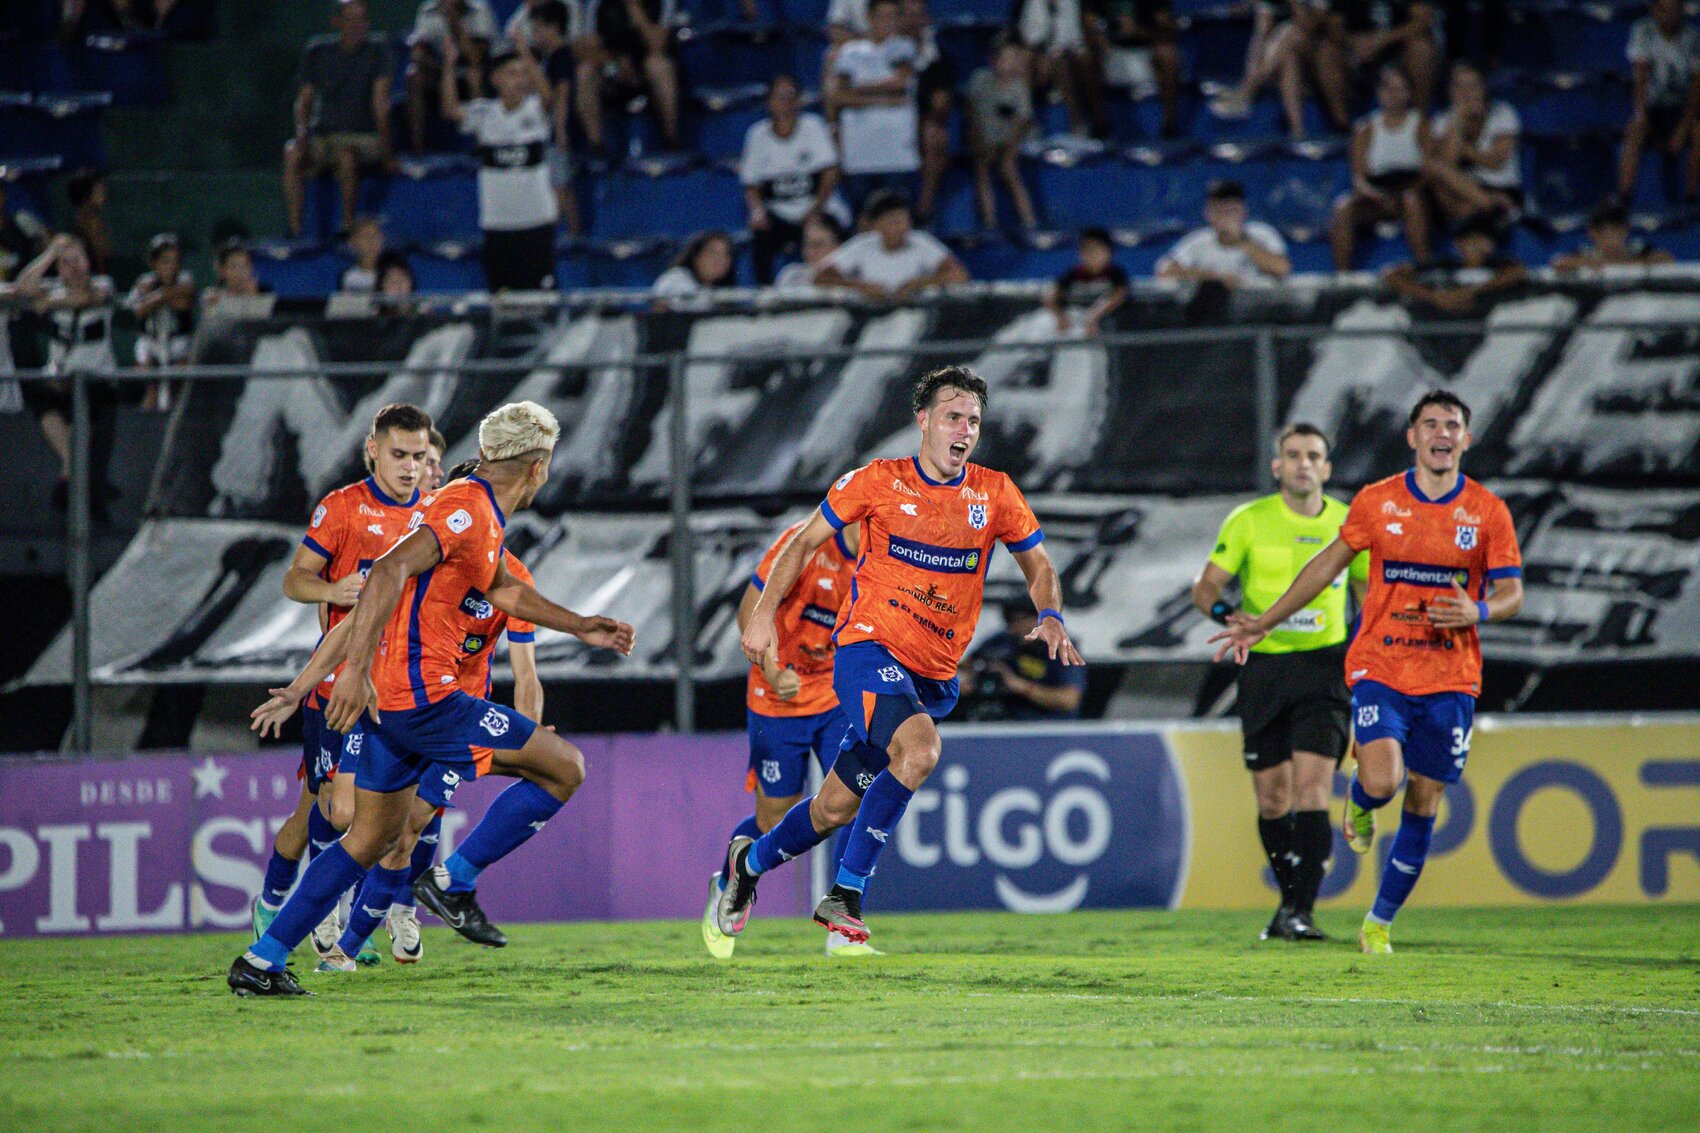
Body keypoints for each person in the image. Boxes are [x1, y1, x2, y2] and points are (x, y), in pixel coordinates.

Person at [228, 401, 635, 996]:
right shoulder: (468, 509)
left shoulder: (474, 507)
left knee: (367, 838)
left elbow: (502, 589)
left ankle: (261, 960)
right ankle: (453, 881)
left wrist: (579, 625)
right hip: (426, 699)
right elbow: (387, 571)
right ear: (538, 467)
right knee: (565, 767)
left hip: (397, 700)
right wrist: (353, 671)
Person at [715, 366, 1082, 948]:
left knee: (834, 808)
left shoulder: (995, 493)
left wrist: (1051, 613)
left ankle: (748, 865)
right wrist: (762, 615)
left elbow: (1038, 564)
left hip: (931, 673)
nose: (965, 430)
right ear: (924, 421)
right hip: (867, 649)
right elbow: (803, 542)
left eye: (974, 421)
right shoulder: (877, 481)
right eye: (953, 417)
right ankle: (846, 897)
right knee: (920, 749)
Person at [1212, 390, 1523, 954]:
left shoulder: (1488, 512)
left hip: (1450, 674)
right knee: (1379, 783)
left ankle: (1378, 922)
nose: (1441, 432)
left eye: (1452, 424)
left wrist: (1478, 610)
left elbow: (1512, 594)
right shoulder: (1378, 502)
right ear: (1413, 436)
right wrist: (1264, 622)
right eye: (1430, 423)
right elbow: (1325, 567)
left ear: (1466, 439)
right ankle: (1359, 802)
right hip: (1381, 665)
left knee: (1423, 799)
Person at [252, 462, 546, 966]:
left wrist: (532, 727)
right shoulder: (415, 562)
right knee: (352, 821)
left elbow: (526, 672)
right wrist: (301, 688)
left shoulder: (509, 576)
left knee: (407, 831)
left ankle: (345, 946)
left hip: (456, 717)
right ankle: (305, 927)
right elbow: (350, 627)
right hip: (396, 707)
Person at [249, 404, 432, 961]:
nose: (410, 467)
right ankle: (283, 905)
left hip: (397, 692)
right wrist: (332, 591)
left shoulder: (432, 517)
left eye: (419, 456)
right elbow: (293, 579)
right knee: (333, 813)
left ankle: (343, 923)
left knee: (380, 817)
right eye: (398, 454)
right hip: (338, 687)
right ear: (372, 450)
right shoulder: (343, 508)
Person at [1192, 423, 1368, 941]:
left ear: (1327, 468)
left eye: (1313, 455)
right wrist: (1228, 616)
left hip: (1324, 669)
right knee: (1272, 799)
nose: (1303, 463)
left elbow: (1367, 596)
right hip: (1264, 668)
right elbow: (1206, 588)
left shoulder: (1348, 523)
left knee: (1313, 787)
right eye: (1293, 455)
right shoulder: (1249, 520)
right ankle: (1289, 905)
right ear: (1277, 466)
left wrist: (1365, 656)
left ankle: (1302, 910)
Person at [700, 517, 867, 960]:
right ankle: (727, 883)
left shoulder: (883, 553)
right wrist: (772, 671)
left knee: (853, 800)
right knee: (773, 820)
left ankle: (843, 928)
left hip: (834, 695)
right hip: (777, 697)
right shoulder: (804, 543)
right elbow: (749, 611)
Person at [440, 38, 560, 292]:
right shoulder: (485, 114)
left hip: (536, 221)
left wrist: (525, 52)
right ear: (495, 79)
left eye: (523, 73)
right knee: (502, 294)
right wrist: (449, 66)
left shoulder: (535, 110)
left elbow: (549, 97)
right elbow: (450, 110)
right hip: (498, 223)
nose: (520, 80)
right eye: (512, 74)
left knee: (540, 294)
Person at [13, 233, 119, 518]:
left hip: (94, 382)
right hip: (58, 381)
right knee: (38, 394)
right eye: (65, 262)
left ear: (87, 261)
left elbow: (88, 298)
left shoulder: (103, 283)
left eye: (77, 260)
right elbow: (23, 288)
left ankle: (72, 480)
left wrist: (51, 302)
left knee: (89, 407)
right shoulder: (53, 288)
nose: (73, 267)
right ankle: (73, 467)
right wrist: (50, 254)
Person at [283, 0, 396, 238]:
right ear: (336, 22)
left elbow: (380, 104)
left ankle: (347, 227)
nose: (357, 26)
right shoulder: (317, 50)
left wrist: (387, 153)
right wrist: (302, 132)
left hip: (363, 137)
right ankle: (296, 231)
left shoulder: (378, 50)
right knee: (292, 153)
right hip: (324, 136)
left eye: (361, 20)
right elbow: (304, 99)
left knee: (347, 158)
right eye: (350, 20)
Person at [741, 74, 850, 286]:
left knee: (830, 231)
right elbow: (751, 183)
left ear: (799, 99)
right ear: (769, 101)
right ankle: (765, 291)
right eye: (779, 96)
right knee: (760, 231)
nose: (785, 101)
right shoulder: (757, 134)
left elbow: (830, 172)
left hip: (817, 208)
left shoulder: (813, 126)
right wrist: (758, 211)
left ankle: (839, 284)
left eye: (790, 95)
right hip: (779, 213)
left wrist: (815, 210)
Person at [1331, 65, 1431, 271]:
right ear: (1379, 92)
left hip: (1411, 190)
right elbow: (1358, 177)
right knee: (1343, 207)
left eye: (1399, 89)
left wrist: (1408, 191)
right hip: (1376, 194)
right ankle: (1343, 275)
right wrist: (1376, 195)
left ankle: (1423, 266)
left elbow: (1429, 168)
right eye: (1388, 89)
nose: (1393, 95)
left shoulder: (1420, 124)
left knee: (1411, 200)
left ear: (1409, 93)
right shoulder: (1365, 128)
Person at [828, 0, 921, 209]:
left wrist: (858, 88)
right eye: (882, 16)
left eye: (892, 17)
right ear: (869, 18)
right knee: (863, 212)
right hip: (859, 150)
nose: (888, 22)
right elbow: (839, 96)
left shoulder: (904, 46)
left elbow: (900, 83)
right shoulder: (850, 51)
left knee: (896, 211)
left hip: (896, 149)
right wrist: (881, 100)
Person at [1618, 0, 1700, 205]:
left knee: (1698, 130)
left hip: (1682, 110)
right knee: (1635, 130)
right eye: (1663, 9)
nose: (1669, 14)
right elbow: (1640, 78)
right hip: (1653, 109)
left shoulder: (1694, 37)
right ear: (1654, 10)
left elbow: (1696, 89)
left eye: (1674, 9)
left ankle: (1691, 198)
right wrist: (1642, 116)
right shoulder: (1642, 31)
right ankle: (1624, 198)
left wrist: (1682, 129)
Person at [815, 191, 968, 300]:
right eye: (894, 222)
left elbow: (959, 275)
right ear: (877, 225)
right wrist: (861, 286)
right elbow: (820, 277)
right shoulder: (863, 244)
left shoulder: (921, 241)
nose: (902, 227)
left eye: (905, 220)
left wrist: (918, 284)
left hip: (915, 312)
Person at [574, 0, 684, 153]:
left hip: (647, 70)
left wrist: (633, 8)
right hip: (613, 70)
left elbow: (658, 45)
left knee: (658, 66)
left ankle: (671, 139)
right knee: (585, 72)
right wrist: (615, 61)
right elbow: (581, 50)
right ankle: (596, 147)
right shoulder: (598, 4)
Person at [1423, 61, 1522, 228]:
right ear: (1450, 90)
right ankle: (1492, 206)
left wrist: (1461, 147)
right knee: (1433, 169)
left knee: (1437, 170)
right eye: (1459, 86)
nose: (1465, 92)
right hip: (1462, 192)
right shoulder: (1442, 120)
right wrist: (1458, 119)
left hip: (1499, 186)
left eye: (1472, 86)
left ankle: (1485, 210)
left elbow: (1495, 163)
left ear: (1483, 88)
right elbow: (1446, 165)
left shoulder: (1503, 113)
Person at [961, 599, 1087, 720]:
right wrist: (968, 681)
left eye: (1023, 620)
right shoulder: (1003, 641)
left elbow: (1069, 700)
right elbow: (965, 665)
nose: (1018, 627)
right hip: (1003, 719)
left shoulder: (1062, 649)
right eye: (1012, 621)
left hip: (1047, 725)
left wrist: (1019, 686)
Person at [1157, 179, 1291, 287]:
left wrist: (1242, 240)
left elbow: (1282, 269)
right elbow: (1165, 271)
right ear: (1208, 214)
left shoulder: (1263, 233)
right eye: (1219, 211)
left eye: (1231, 211)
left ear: (1244, 212)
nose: (1225, 217)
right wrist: (1217, 279)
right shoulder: (1199, 240)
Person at [965, 38, 1040, 232]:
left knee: (1008, 168)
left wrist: (1009, 147)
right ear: (993, 60)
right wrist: (979, 141)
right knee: (981, 168)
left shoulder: (1019, 88)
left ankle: (1029, 221)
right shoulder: (979, 79)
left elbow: (1022, 122)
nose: (1010, 63)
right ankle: (989, 223)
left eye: (1014, 59)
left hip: (1011, 141)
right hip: (983, 138)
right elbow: (971, 111)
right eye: (1006, 58)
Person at [1382, 213, 1525, 315]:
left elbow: (1517, 273)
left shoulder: (1500, 266)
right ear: (1459, 243)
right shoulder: (1441, 264)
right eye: (1475, 241)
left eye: (1488, 242)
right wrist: (1433, 296)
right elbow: (1392, 277)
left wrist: (1470, 292)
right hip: (1434, 326)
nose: (1483, 247)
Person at [405, 0, 498, 153]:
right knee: (414, 76)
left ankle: (481, 144)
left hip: (477, 71)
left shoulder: (479, 9)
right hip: (442, 70)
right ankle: (418, 150)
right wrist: (444, 67)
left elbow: (475, 57)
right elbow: (418, 53)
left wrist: (454, 19)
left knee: (474, 75)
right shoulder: (428, 9)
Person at [1084, 0, 1181, 137]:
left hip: (1145, 50)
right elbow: (1089, 20)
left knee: (1168, 55)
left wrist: (1137, 31)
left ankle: (1168, 125)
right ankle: (1099, 125)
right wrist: (1101, 39)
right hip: (1111, 51)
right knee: (1086, 58)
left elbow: (1166, 28)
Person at [1015, 0, 1107, 139]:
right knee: (1046, 61)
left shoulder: (1070, 3)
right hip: (1040, 53)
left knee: (1079, 62)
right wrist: (1043, 52)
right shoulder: (1033, 3)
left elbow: (1074, 37)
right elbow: (1029, 35)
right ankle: (1031, 123)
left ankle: (1091, 122)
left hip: (1066, 53)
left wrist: (1076, 52)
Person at [126, 233, 196, 411]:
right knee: (149, 382)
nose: (172, 266)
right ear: (154, 264)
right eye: (166, 261)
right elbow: (138, 310)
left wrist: (156, 296)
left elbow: (184, 300)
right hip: (151, 342)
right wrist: (162, 297)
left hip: (178, 342)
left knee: (180, 379)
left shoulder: (185, 279)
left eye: (175, 261)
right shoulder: (144, 281)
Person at [531, 1, 583, 236]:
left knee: (561, 187)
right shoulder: (551, 57)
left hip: (558, 131)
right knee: (556, 186)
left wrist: (560, 131)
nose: (535, 35)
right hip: (552, 131)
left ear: (553, 27)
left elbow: (562, 94)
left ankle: (573, 235)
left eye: (539, 28)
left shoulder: (561, 56)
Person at [1044, 226, 1128, 334]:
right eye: (1086, 251)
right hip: (1071, 320)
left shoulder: (1115, 274)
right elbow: (1051, 296)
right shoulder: (1073, 274)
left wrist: (1094, 316)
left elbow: (1119, 295)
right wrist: (1060, 317)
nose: (1091, 255)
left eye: (1096, 251)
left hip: (1100, 322)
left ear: (1109, 252)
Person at [1551, 200, 1675, 272]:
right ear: (1592, 233)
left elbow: (1666, 259)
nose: (1611, 242)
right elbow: (1559, 263)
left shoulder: (1637, 248)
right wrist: (1594, 263)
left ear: (1625, 231)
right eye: (1604, 236)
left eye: (1616, 235)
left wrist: (1622, 264)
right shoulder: (1587, 252)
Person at [652, 230, 736, 305]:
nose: (720, 260)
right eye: (713, 253)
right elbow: (662, 309)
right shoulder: (674, 279)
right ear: (695, 256)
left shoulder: (726, 291)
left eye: (726, 254)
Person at [774, 214, 846, 290]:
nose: (811, 251)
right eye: (807, 244)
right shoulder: (791, 275)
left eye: (818, 245)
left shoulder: (849, 276)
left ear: (836, 247)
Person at [66, 168, 111, 276]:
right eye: (99, 190)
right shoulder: (89, 219)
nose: (104, 194)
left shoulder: (81, 216)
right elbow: (101, 254)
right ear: (88, 193)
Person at [338, 215, 386, 292]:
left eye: (375, 235)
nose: (371, 241)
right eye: (365, 236)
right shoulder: (349, 277)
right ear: (353, 242)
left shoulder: (393, 273)